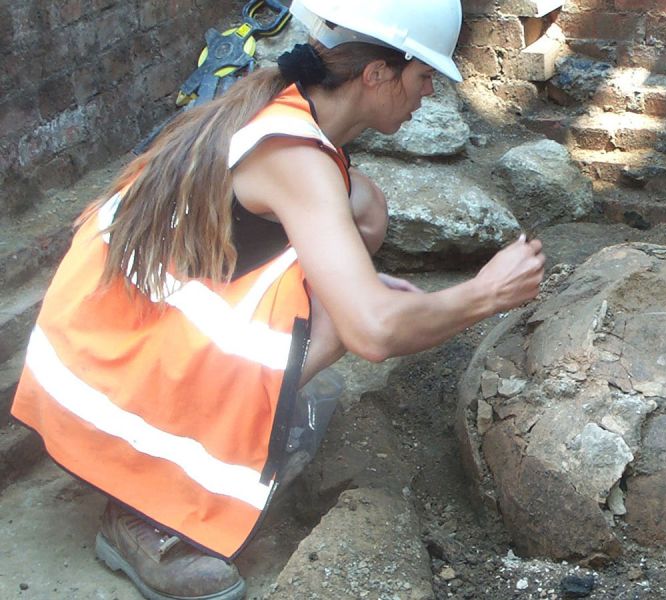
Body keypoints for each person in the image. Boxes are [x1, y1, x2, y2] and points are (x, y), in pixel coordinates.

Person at [10, 0, 545, 598]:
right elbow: (375, 332)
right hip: (99, 369)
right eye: (422, 77)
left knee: (363, 215)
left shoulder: (290, 108)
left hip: (115, 323)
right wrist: (484, 293)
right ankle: (144, 509)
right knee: (350, 318)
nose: (426, 94)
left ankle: (236, 409)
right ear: (376, 74)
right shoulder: (293, 155)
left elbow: (356, 230)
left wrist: (363, 295)